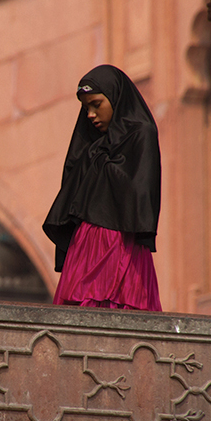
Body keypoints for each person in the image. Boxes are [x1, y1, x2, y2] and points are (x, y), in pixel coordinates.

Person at [43, 65, 162, 311]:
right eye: (86, 107)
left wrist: (99, 161)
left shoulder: (141, 134)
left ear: (116, 98)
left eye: (96, 105)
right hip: (86, 244)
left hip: (122, 244)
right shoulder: (91, 143)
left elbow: (139, 194)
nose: (90, 114)